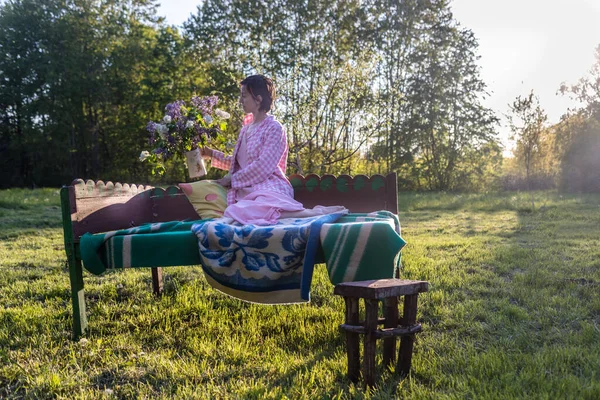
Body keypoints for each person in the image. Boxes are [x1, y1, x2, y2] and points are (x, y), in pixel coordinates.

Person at [200, 75, 307, 225]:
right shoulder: (246, 129)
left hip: (270, 188)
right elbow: (242, 163)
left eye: (244, 96)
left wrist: (231, 179)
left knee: (248, 209)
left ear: (258, 99)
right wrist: (211, 154)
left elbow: (263, 166)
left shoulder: (275, 128)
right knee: (239, 210)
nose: (240, 101)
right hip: (247, 190)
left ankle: (308, 214)